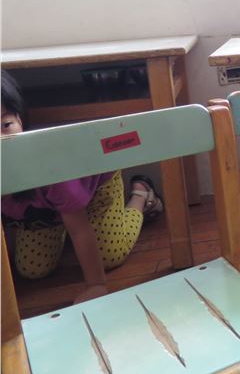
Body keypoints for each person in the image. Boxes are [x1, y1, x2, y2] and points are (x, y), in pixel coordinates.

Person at [1, 71, 163, 303]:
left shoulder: (50, 169)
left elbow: (79, 230)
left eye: (6, 125)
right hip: (49, 210)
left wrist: (96, 285)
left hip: (96, 186)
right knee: (32, 268)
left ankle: (141, 195)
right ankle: (60, 224)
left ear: (20, 120)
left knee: (110, 256)